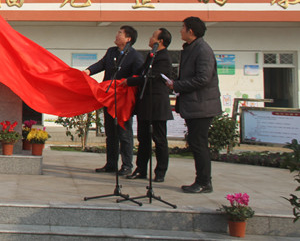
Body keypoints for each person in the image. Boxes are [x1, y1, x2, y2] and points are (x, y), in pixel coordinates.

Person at [164, 16, 222, 194]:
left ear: (191, 31)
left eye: (183, 27)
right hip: (195, 105)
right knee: (196, 143)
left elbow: (203, 79)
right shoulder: (191, 48)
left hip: (202, 106)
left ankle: (204, 182)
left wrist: (177, 85)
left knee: (199, 144)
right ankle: (202, 180)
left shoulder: (203, 50)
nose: (180, 31)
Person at [85, 25, 144, 176]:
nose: (117, 35)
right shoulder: (112, 52)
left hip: (123, 100)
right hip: (109, 97)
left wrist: (127, 82)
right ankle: (111, 164)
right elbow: (102, 64)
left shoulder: (135, 56)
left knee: (124, 133)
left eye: (120, 33)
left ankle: (127, 165)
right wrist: (88, 71)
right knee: (111, 133)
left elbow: (139, 77)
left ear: (128, 38)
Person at [126, 28, 174, 183]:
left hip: (158, 104)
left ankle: (160, 172)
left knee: (159, 139)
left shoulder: (164, 58)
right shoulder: (151, 56)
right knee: (143, 138)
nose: (150, 37)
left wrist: (129, 81)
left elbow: (150, 77)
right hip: (145, 103)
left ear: (160, 41)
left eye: (153, 36)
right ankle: (141, 169)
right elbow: (141, 73)